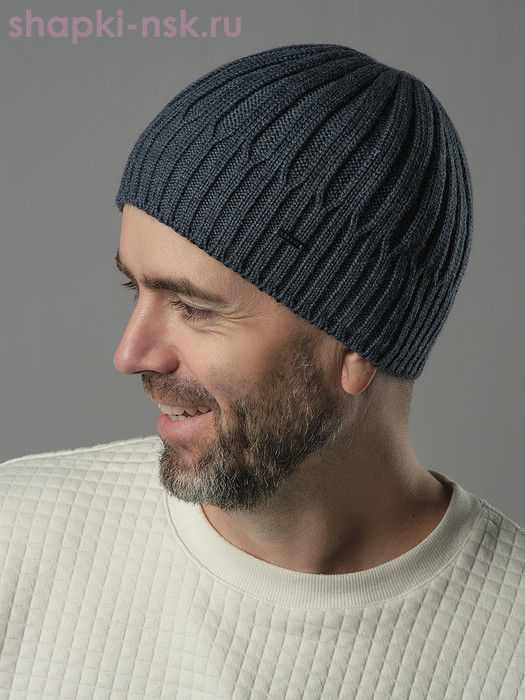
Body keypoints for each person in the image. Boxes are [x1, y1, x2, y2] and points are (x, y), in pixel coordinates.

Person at [1, 44, 523, 699]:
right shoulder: (16, 537)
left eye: (193, 307)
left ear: (355, 343)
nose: (130, 355)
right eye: (135, 288)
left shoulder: (510, 649)